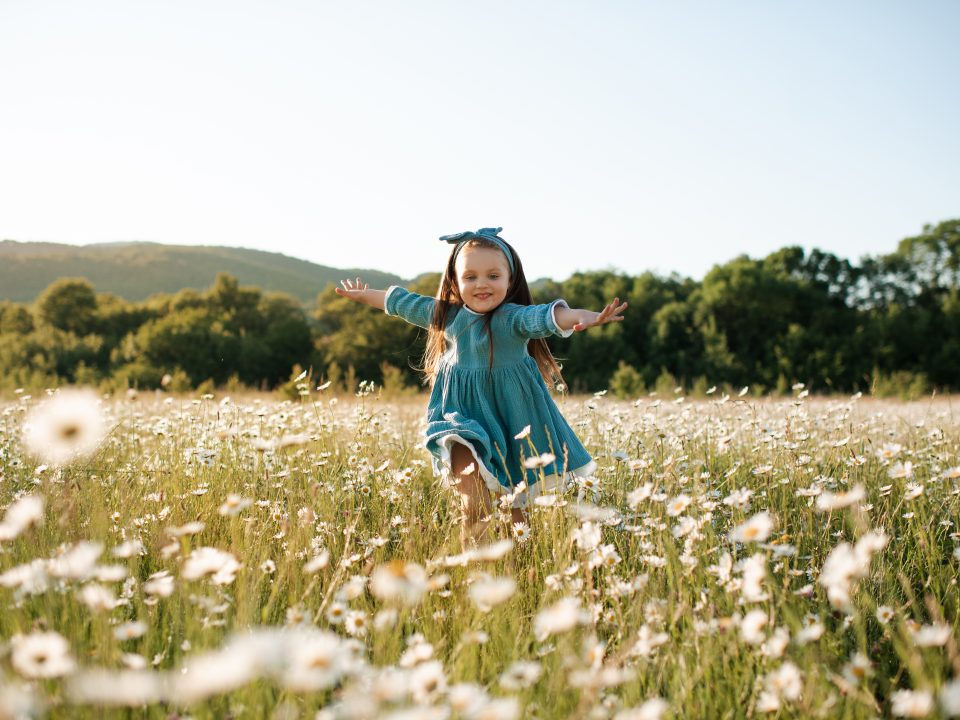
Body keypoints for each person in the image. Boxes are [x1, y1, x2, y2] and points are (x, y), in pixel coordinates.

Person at [335, 227, 627, 545]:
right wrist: (364, 296)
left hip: (513, 422)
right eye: (470, 277)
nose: (482, 284)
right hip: (459, 419)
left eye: (492, 275)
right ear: (455, 282)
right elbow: (403, 303)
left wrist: (593, 317)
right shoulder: (447, 315)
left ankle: (515, 578)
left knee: (517, 516)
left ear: (509, 280)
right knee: (474, 505)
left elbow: (552, 316)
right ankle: (472, 572)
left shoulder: (514, 319)